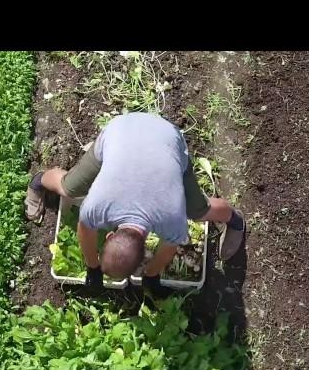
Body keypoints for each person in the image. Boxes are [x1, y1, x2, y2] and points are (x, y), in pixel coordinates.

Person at [24, 112, 245, 297]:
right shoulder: (95, 206)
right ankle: (38, 181)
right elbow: (85, 231)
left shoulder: (172, 220)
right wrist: (93, 268)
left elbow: (168, 252)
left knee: (200, 212)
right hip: (119, 131)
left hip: (167, 139)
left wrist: (151, 276)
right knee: (68, 188)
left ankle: (235, 221)